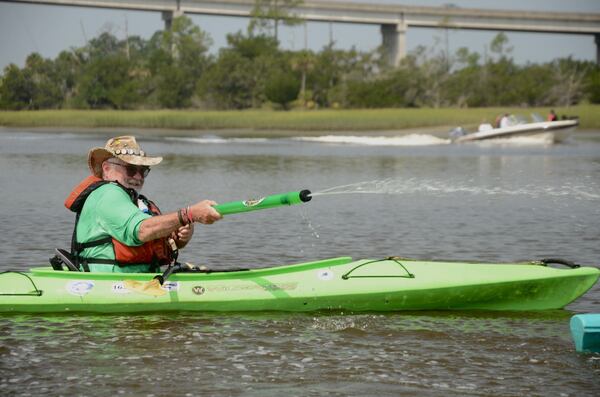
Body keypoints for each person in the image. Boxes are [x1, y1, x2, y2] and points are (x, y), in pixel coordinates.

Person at [60, 136, 222, 273]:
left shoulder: (137, 201)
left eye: (143, 170)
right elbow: (141, 231)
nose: (138, 176)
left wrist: (181, 236)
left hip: (143, 279)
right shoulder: (109, 194)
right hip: (110, 283)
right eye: (131, 169)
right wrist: (189, 214)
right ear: (107, 169)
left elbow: (159, 240)